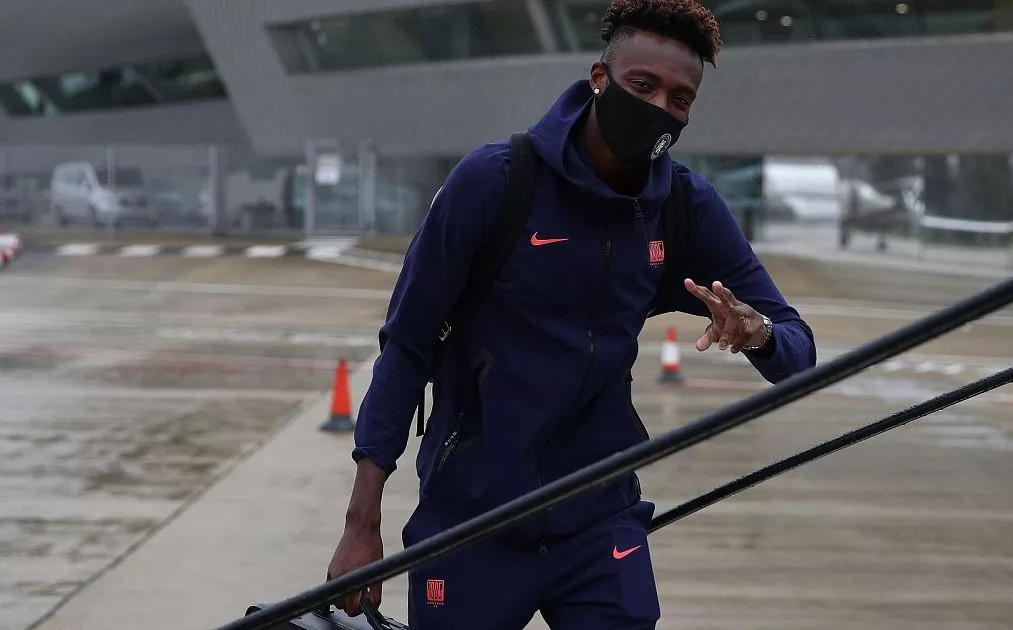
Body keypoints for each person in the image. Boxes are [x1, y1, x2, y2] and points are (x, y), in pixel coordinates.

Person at [327, 1, 817, 627]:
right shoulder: (494, 182)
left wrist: (760, 332)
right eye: (643, 85)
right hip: (471, 520)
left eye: (680, 99)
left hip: (599, 522)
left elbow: (798, 352)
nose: (660, 108)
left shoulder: (683, 208)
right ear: (599, 79)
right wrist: (361, 521)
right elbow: (408, 346)